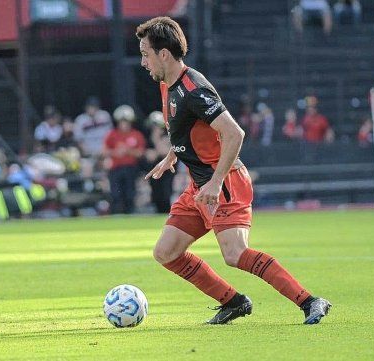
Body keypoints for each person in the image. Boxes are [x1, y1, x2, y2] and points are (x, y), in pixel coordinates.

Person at [137, 17, 331, 325]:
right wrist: (173, 155)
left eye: (146, 53)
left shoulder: (193, 89)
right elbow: (187, 127)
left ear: (164, 54)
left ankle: (309, 300)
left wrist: (215, 183)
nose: (143, 61)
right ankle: (234, 302)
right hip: (200, 186)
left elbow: (234, 134)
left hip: (224, 183)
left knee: (235, 253)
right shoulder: (168, 85)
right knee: (166, 252)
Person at [103, 105, 146, 214]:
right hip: (116, 168)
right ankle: (116, 214)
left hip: (130, 168)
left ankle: (130, 214)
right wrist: (116, 152)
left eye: (126, 121)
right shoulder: (112, 134)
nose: (124, 124)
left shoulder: (136, 135)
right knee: (115, 194)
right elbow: (104, 151)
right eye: (122, 121)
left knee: (129, 193)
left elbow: (140, 153)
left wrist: (127, 151)